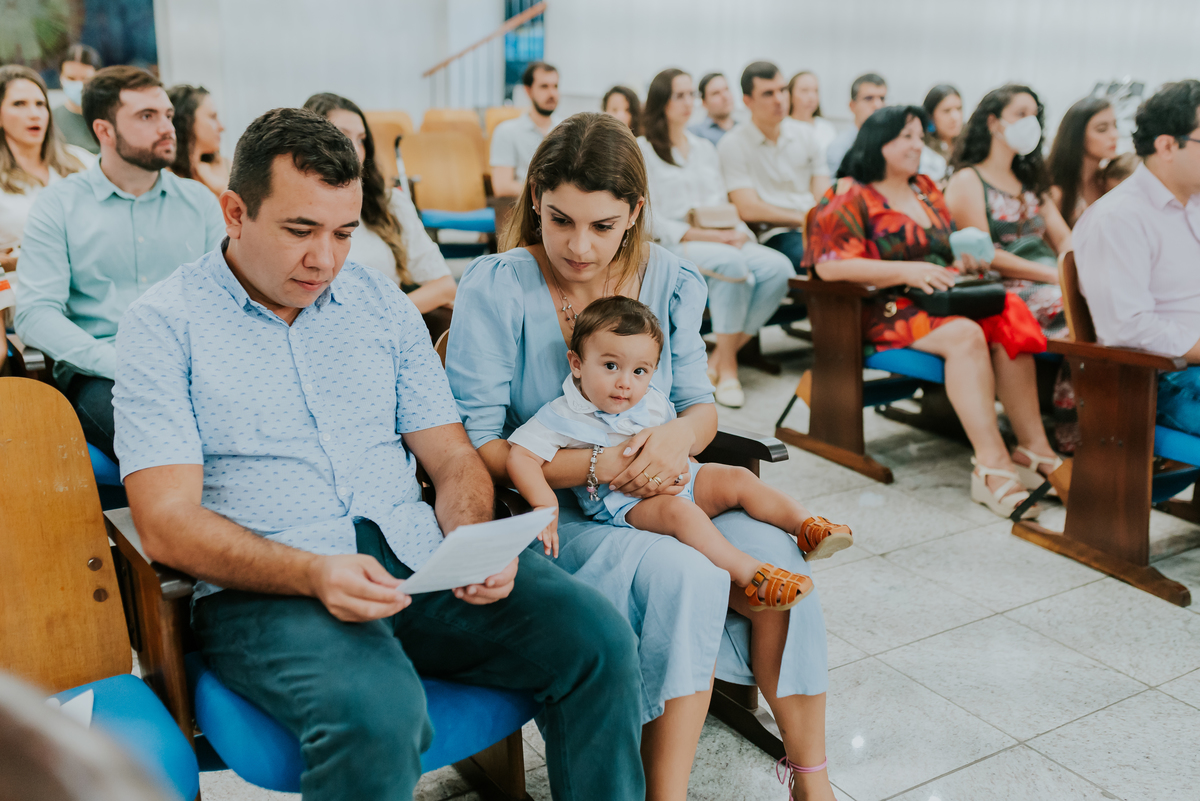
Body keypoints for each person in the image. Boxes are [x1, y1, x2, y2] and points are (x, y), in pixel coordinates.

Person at [112, 107, 646, 801]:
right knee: (380, 712)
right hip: (271, 583)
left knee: (597, 638)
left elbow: (452, 458)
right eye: (300, 231)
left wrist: (470, 537)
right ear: (235, 211)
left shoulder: (377, 302)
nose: (325, 259)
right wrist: (312, 572)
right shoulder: (163, 324)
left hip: (416, 555)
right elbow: (165, 521)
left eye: (342, 232)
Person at [446, 112, 835, 801]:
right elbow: (478, 439)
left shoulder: (674, 278)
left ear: (635, 211)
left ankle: (812, 777)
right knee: (688, 573)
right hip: (557, 510)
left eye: (602, 225)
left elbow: (700, 404)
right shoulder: (498, 284)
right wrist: (600, 465)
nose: (579, 246)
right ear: (535, 197)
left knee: (779, 555)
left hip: (668, 488)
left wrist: (676, 437)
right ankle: (665, 791)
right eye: (561, 220)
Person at [507, 295, 852, 606]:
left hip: (681, 479)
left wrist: (688, 465)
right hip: (626, 504)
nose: (625, 382)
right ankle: (750, 574)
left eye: (639, 371)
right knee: (681, 513)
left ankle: (806, 527)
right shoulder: (561, 414)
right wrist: (544, 502)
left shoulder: (651, 400)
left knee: (738, 477)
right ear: (577, 364)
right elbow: (521, 455)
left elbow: (679, 440)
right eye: (610, 366)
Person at [808, 106, 1061, 517]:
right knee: (966, 334)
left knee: (1010, 312)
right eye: (905, 136)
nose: (916, 145)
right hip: (880, 306)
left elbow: (941, 250)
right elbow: (829, 265)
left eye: (918, 137)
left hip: (937, 295)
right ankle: (991, 465)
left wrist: (962, 264)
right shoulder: (848, 193)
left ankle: (1035, 448)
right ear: (878, 141)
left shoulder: (925, 187)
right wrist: (906, 270)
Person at [14, 66, 223, 462]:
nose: (167, 127)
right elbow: (35, 314)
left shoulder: (199, 202)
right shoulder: (58, 205)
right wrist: (116, 362)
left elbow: (226, 299)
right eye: (147, 117)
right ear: (104, 131)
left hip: (194, 365)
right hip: (101, 372)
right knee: (169, 445)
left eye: (166, 114)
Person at [638, 67, 792, 407]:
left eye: (691, 94)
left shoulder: (705, 147)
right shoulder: (643, 149)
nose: (688, 102)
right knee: (733, 265)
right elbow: (649, 217)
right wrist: (707, 236)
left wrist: (740, 234)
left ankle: (719, 359)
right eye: (679, 95)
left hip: (718, 237)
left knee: (777, 267)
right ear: (661, 101)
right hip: (675, 243)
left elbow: (723, 202)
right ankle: (731, 370)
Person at [1074, 79, 1200, 437]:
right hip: (1160, 380)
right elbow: (1127, 327)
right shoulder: (1119, 218)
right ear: (1167, 146)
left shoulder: (1194, 202)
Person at [304, 92, 456, 315]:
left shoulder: (390, 203)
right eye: (342, 137)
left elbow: (444, 287)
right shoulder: (293, 211)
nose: (355, 150)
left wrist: (384, 317)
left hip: (381, 337)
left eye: (361, 140)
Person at [944, 84, 1072, 337]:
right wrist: (1053, 275)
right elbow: (986, 254)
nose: (1030, 122)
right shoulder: (968, 180)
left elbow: (1065, 238)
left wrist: (1075, 271)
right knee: (1074, 310)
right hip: (1005, 286)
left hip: (1050, 277)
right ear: (993, 122)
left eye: (1034, 115)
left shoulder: (1030, 180)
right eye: (1021, 114)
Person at [718, 61, 831, 271]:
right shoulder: (733, 143)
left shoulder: (806, 134)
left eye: (783, 90)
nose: (779, 100)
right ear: (747, 101)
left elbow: (823, 193)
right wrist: (803, 219)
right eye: (768, 94)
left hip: (816, 227)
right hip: (775, 234)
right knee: (823, 261)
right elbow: (748, 208)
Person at [0, 66, 92, 279]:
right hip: (18, 292)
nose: (34, 114)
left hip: (88, 285)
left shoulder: (82, 161)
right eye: (19, 104)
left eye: (40, 104)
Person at [490, 61, 560, 197]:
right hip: (523, 209)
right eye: (544, 87)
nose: (552, 93)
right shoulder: (507, 131)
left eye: (555, 86)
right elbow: (502, 186)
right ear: (528, 91)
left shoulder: (567, 129)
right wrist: (549, 196)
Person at [1047, 97, 1120, 227]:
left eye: (1115, 126)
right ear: (1077, 135)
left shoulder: (1109, 181)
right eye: (1102, 129)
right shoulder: (1055, 192)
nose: (1114, 135)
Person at [166, 84, 230, 196]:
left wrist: (220, 187)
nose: (221, 127)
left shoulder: (228, 167)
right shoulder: (165, 178)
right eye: (212, 117)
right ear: (187, 121)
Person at [825, 73, 887, 176]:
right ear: (852, 106)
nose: (878, 105)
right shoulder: (840, 147)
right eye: (869, 98)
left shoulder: (893, 144)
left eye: (882, 98)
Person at [52, 44, 102, 155]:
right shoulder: (51, 118)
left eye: (85, 79)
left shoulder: (109, 115)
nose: (79, 85)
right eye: (71, 78)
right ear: (61, 77)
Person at [787, 71, 837, 157]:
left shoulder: (826, 128)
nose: (811, 97)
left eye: (815, 91)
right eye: (804, 90)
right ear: (790, 94)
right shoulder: (783, 126)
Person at [919, 84, 962, 183]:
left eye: (959, 109)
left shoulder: (970, 145)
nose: (955, 117)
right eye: (946, 111)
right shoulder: (922, 151)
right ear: (931, 116)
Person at [689, 73, 736, 146]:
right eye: (716, 93)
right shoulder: (694, 134)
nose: (725, 97)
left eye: (726, 89)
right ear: (704, 102)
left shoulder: (744, 128)